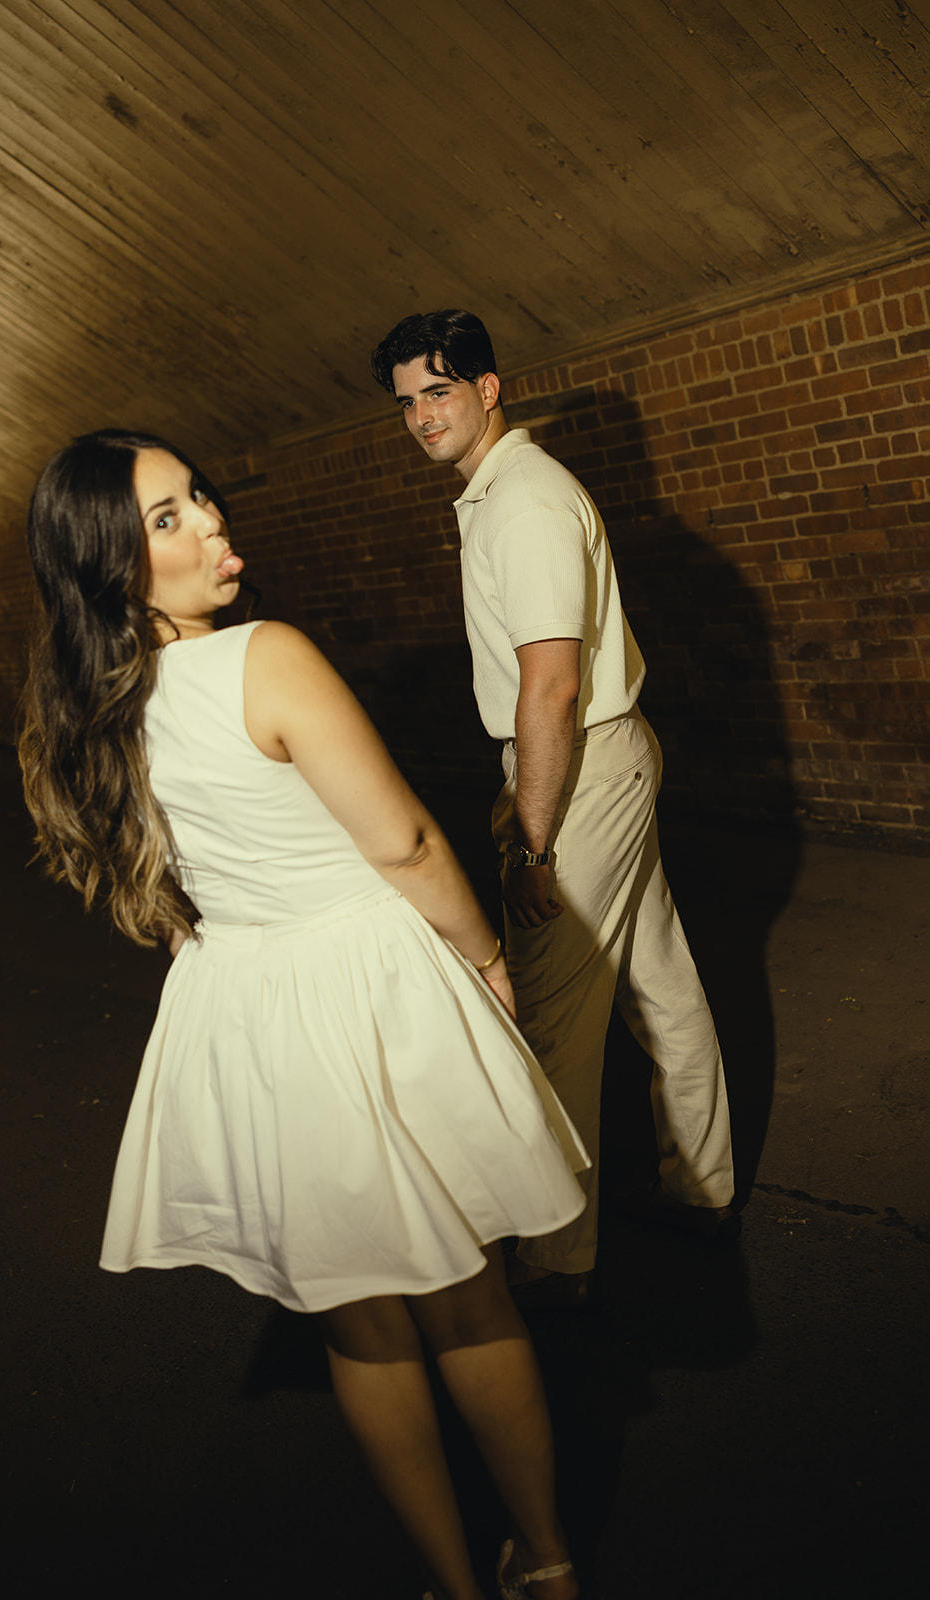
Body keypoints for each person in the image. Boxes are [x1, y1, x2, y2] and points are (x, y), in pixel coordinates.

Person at [18, 427, 589, 1600]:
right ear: (116, 566)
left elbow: (171, 901)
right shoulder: (265, 657)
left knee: (358, 1323)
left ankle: (452, 1583)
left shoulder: (99, 711)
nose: (209, 523)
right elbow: (408, 840)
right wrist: (484, 960)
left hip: (245, 1006)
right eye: (165, 519)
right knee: (464, 1295)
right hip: (361, 986)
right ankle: (547, 1561)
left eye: (199, 495)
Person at [369, 311, 738, 1309]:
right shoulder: (501, 491)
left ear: (489, 389)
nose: (420, 416)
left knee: (552, 1017)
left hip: (573, 766)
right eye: (405, 401)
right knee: (656, 981)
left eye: (437, 391)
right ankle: (700, 1188)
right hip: (600, 757)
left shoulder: (522, 503)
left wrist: (532, 844)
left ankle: (555, 1261)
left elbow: (550, 687)